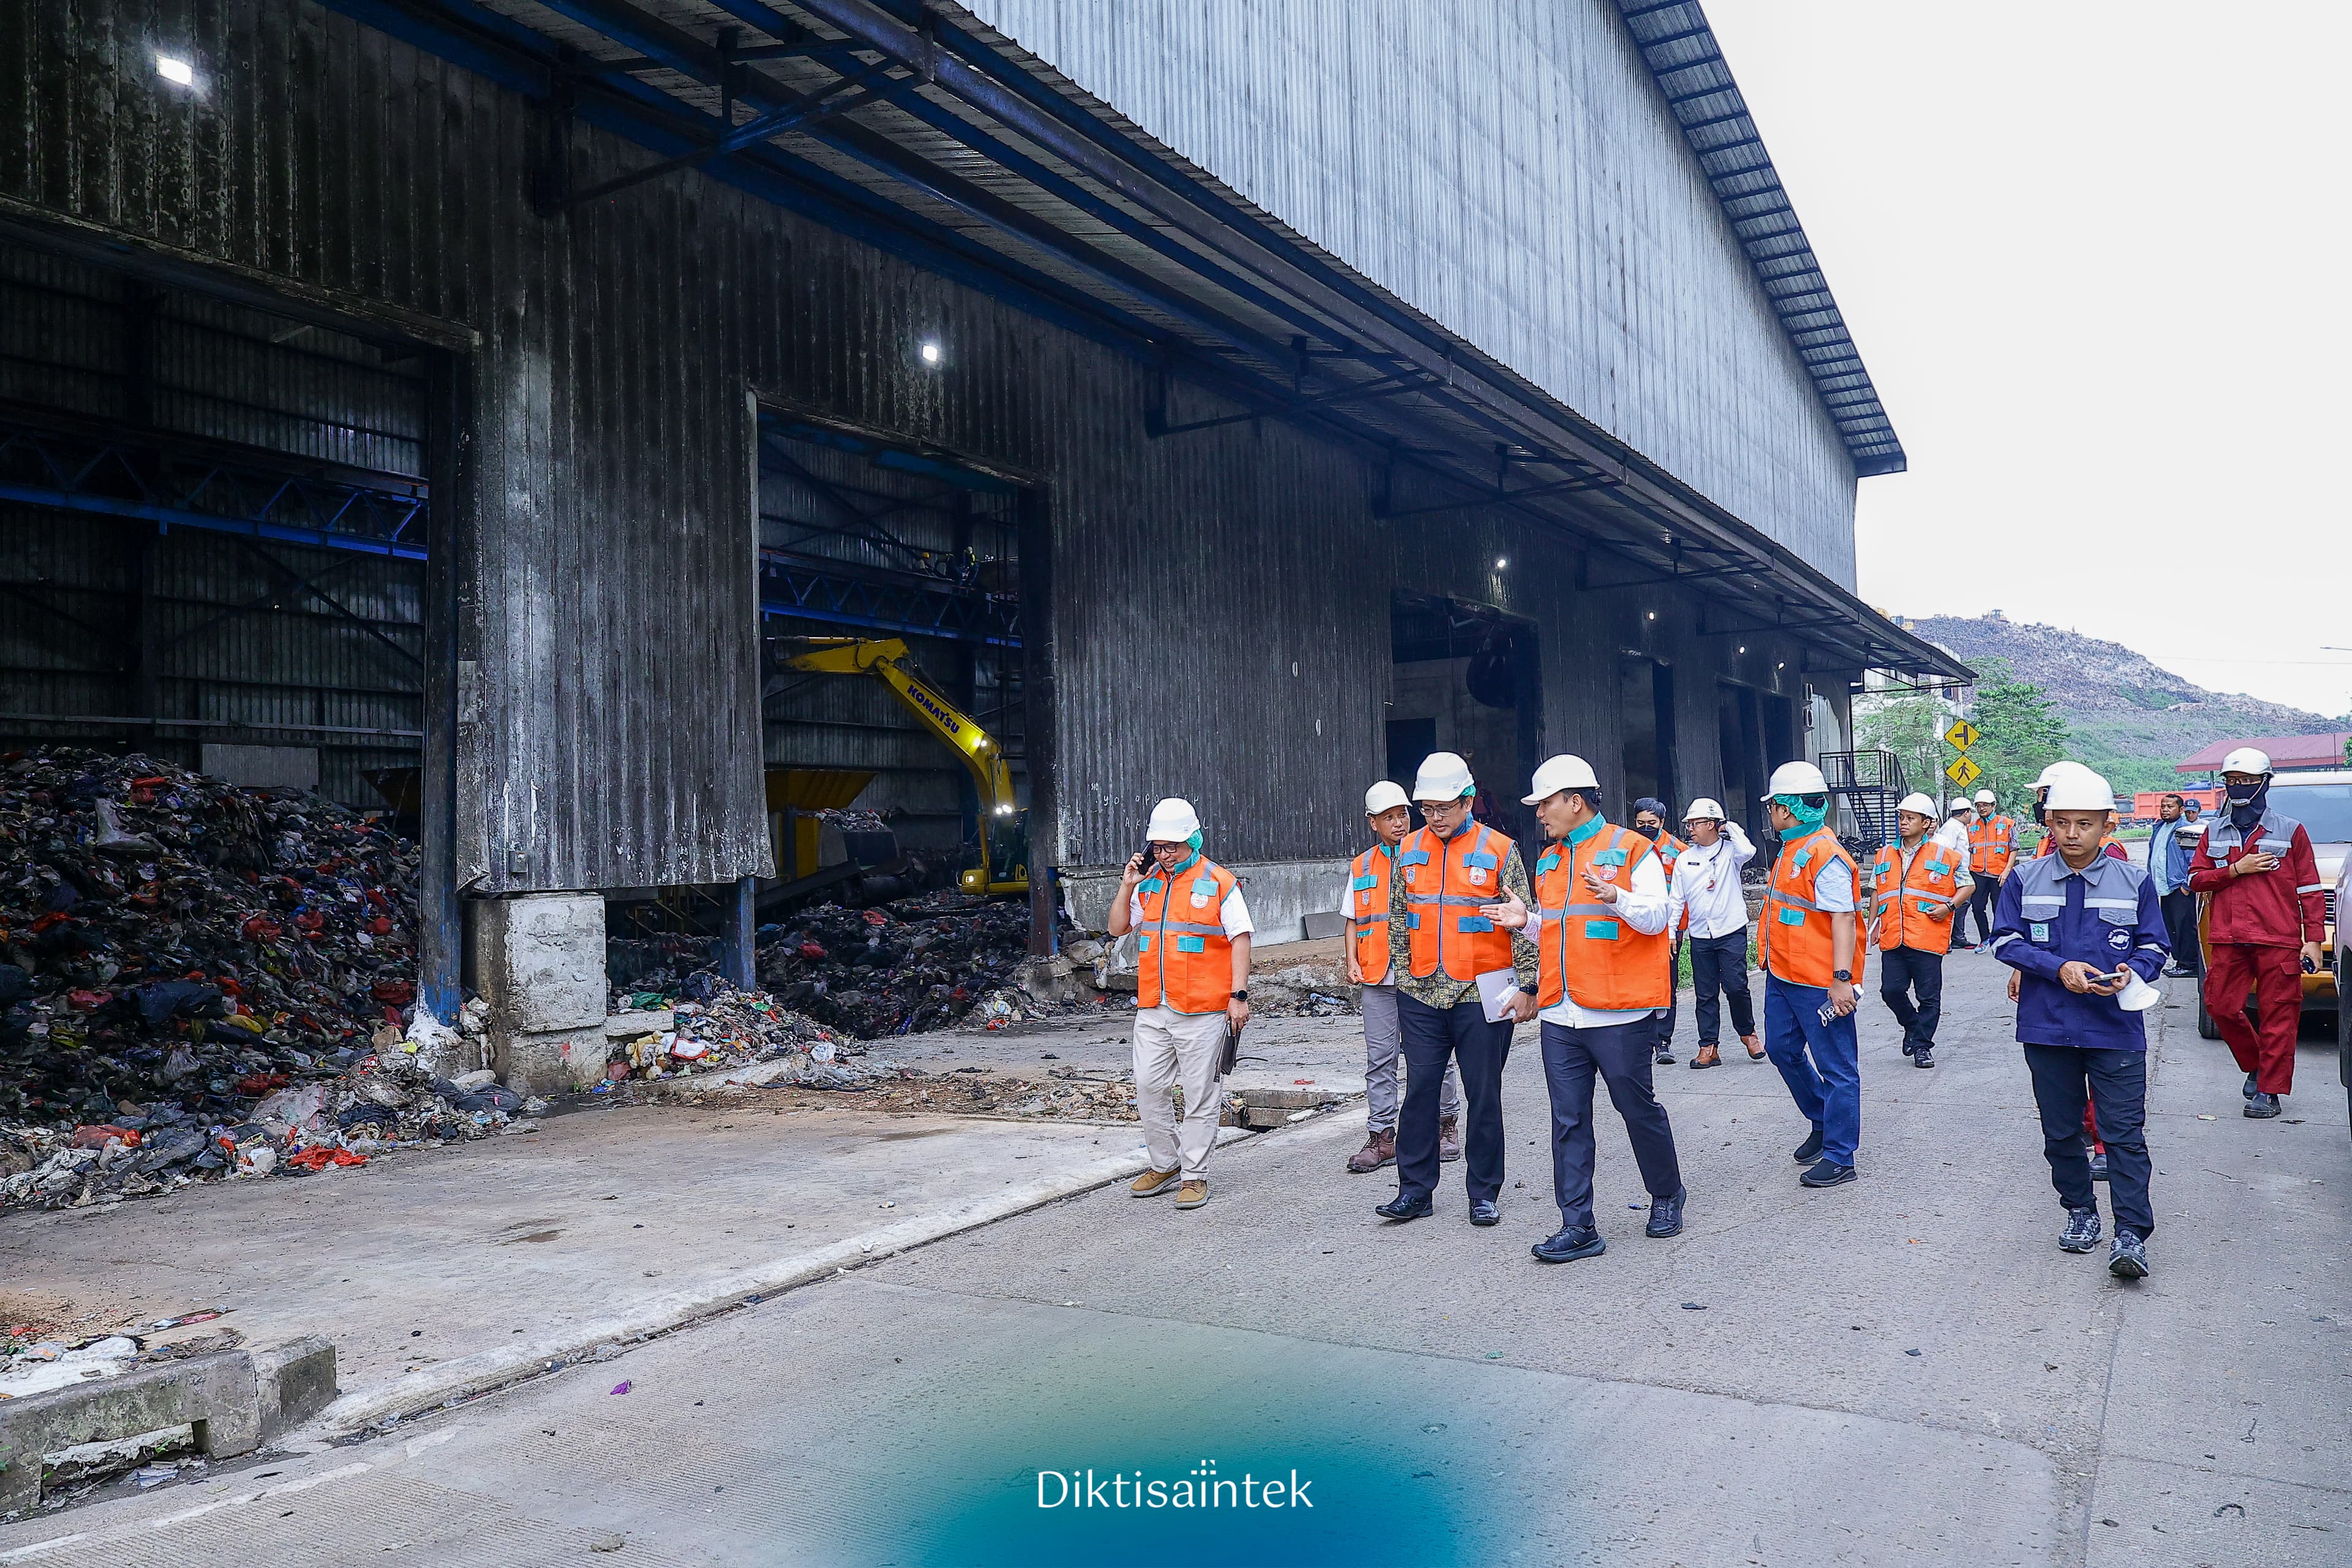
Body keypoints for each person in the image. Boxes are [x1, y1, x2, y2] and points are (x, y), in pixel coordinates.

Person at [1482, 756, 1683, 1263]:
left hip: (1617, 1012)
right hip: (1561, 1014)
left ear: (1575, 801)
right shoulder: (1548, 861)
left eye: (1546, 803)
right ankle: (1578, 1225)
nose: (1540, 815)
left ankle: (1666, 1193)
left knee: (1636, 1108)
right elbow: (1557, 928)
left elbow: (1659, 918)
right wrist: (1525, 919)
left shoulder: (1633, 848)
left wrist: (1616, 896)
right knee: (1568, 1120)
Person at [1988, 767, 2166, 1279]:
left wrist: (2137, 969)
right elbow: (2003, 940)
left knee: (2124, 1133)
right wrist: (2055, 967)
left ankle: (2131, 1232)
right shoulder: (2025, 878)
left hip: (2115, 1028)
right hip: (2047, 1027)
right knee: (2061, 1131)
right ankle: (2081, 1213)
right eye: (2062, 822)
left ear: (2107, 825)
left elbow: (2156, 943)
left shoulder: (2135, 882)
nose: (2072, 833)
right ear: (2049, 822)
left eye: (2084, 824)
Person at [1374, 752, 1539, 1227]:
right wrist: (1404, 978)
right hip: (1423, 992)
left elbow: (1522, 921)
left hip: (1482, 993)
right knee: (1421, 1091)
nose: (1436, 817)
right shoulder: (1405, 851)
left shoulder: (1500, 850)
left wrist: (1528, 984)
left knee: (1483, 1093)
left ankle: (1483, 1193)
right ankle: (1415, 1191)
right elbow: (1399, 921)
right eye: (1427, 808)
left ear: (1468, 800)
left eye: (1445, 807)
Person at [1107, 797, 1252, 1210]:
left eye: (1173, 846)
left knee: (1200, 1094)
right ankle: (1166, 1163)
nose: (1165, 854)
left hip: (1204, 1008)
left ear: (1193, 839)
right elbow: (1118, 927)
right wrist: (1128, 883)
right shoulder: (1148, 883)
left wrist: (1238, 996)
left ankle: (1194, 1175)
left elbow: (1241, 938)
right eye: (1158, 847)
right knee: (1149, 1087)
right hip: (1155, 1005)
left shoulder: (1219, 881)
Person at [2188, 748, 2328, 1118]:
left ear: (2265, 783)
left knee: (2279, 1015)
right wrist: (2236, 869)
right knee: (2219, 1005)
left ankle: (2270, 1091)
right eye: (2232, 782)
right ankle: (2256, 1064)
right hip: (2229, 937)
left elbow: (2309, 889)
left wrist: (2313, 940)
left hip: (2278, 939)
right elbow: (2195, 879)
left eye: (2247, 781)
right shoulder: (2214, 831)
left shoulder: (2290, 831)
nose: (2239, 788)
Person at [1343, 780, 1464, 1174]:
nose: (1398, 824)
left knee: (1432, 1058)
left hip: (1423, 974)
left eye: (1402, 816)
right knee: (1380, 1059)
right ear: (1371, 822)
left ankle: (1445, 1126)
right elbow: (1352, 920)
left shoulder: (1427, 855)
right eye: (1388, 818)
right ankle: (1382, 1137)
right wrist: (1352, 961)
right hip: (1378, 974)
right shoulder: (1361, 865)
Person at [1757, 760, 1866, 1189]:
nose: (1770, 815)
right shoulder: (1792, 845)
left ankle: (1841, 1156)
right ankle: (1824, 1119)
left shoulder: (1826, 854)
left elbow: (1842, 919)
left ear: (1787, 809)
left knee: (1838, 1067)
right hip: (1784, 974)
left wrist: (1842, 978)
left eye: (1773, 807)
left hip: (1820, 981)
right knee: (1782, 1049)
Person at [1869, 793, 1971, 1069]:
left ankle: (1923, 1047)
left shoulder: (1946, 855)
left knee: (1929, 997)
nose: (1903, 823)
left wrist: (1949, 907)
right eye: (1901, 817)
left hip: (1927, 935)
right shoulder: (1885, 854)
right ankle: (1913, 1027)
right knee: (1891, 991)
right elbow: (1878, 890)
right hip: (1893, 935)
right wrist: (1874, 924)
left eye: (1910, 818)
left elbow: (1967, 885)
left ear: (1927, 823)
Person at [1670, 797, 1761, 1069]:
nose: (1690, 829)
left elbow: (1750, 849)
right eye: (1689, 824)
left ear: (1712, 824)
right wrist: (1672, 931)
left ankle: (1748, 1033)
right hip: (1700, 935)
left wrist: (1728, 826)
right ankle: (1708, 1047)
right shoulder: (1685, 860)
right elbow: (1676, 899)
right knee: (1705, 992)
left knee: (1736, 986)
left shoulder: (1732, 852)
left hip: (1730, 930)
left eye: (1696, 823)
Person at [1629, 797, 1687, 1066]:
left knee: (1668, 982)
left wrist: (1674, 929)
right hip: (1635, 924)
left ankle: (1663, 1042)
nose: (1645, 828)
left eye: (1651, 824)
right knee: (1636, 980)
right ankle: (1641, 1039)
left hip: (1669, 927)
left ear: (1662, 823)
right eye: (1640, 823)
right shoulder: (1627, 847)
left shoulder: (1679, 851)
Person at [2147, 793, 2202, 979]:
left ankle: (2189, 964)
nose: (2165, 810)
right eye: (2163, 806)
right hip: (2164, 887)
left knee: (2185, 927)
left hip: (2180, 888)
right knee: (2170, 927)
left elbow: (2195, 860)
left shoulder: (2186, 829)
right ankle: (2180, 961)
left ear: (2181, 810)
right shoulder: (2160, 828)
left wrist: (2187, 885)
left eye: (2170, 807)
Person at [1965, 787, 2016, 951]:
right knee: (1977, 907)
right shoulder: (1972, 827)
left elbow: (2014, 848)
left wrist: (2007, 870)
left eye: (1985, 805)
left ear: (1993, 805)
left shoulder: (2007, 823)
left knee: (1998, 908)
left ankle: (1999, 938)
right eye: (1979, 806)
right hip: (1978, 873)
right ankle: (1984, 938)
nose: (1982, 809)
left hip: (1999, 873)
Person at [1936, 799, 1977, 948]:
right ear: (1966, 813)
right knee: (1956, 905)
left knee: (1963, 904)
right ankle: (1952, 937)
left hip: (1962, 872)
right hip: (1955, 874)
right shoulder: (1951, 828)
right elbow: (1947, 852)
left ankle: (1958, 936)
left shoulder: (1958, 826)